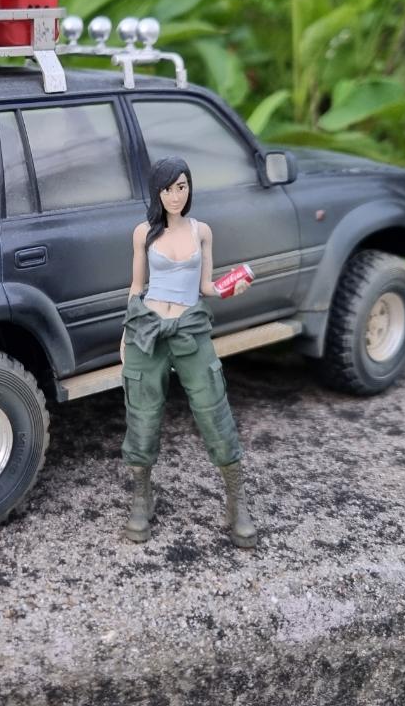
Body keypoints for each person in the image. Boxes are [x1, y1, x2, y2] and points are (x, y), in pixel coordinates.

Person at [118, 156, 258, 548]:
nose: (175, 196)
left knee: (213, 407)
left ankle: (236, 501)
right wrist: (125, 334)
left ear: (189, 188)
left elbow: (206, 287)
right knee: (142, 414)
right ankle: (142, 498)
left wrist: (231, 288)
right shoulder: (143, 233)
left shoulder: (202, 231)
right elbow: (136, 287)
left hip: (190, 328)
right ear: (156, 192)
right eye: (167, 189)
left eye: (181, 187)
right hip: (148, 329)